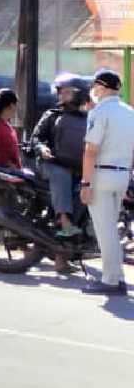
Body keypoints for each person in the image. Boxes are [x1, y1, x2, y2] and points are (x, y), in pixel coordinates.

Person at [80, 70, 134, 295]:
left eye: (95, 86)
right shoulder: (129, 112)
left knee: (106, 231)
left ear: (101, 86)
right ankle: (117, 277)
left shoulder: (99, 112)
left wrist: (85, 183)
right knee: (111, 229)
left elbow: (91, 150)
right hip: (122, 175)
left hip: (101, 175)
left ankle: (110, 280)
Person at [32, 74, 90, 239]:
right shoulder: (52, 115)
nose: (61, 95)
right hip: (50, 164)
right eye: (60, 92)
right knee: (61, 173)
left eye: (66, 92)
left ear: (79, 94)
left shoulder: (89, 119)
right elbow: (35, 138)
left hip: (77, 168)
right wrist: (42, 148)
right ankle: (64, 221)